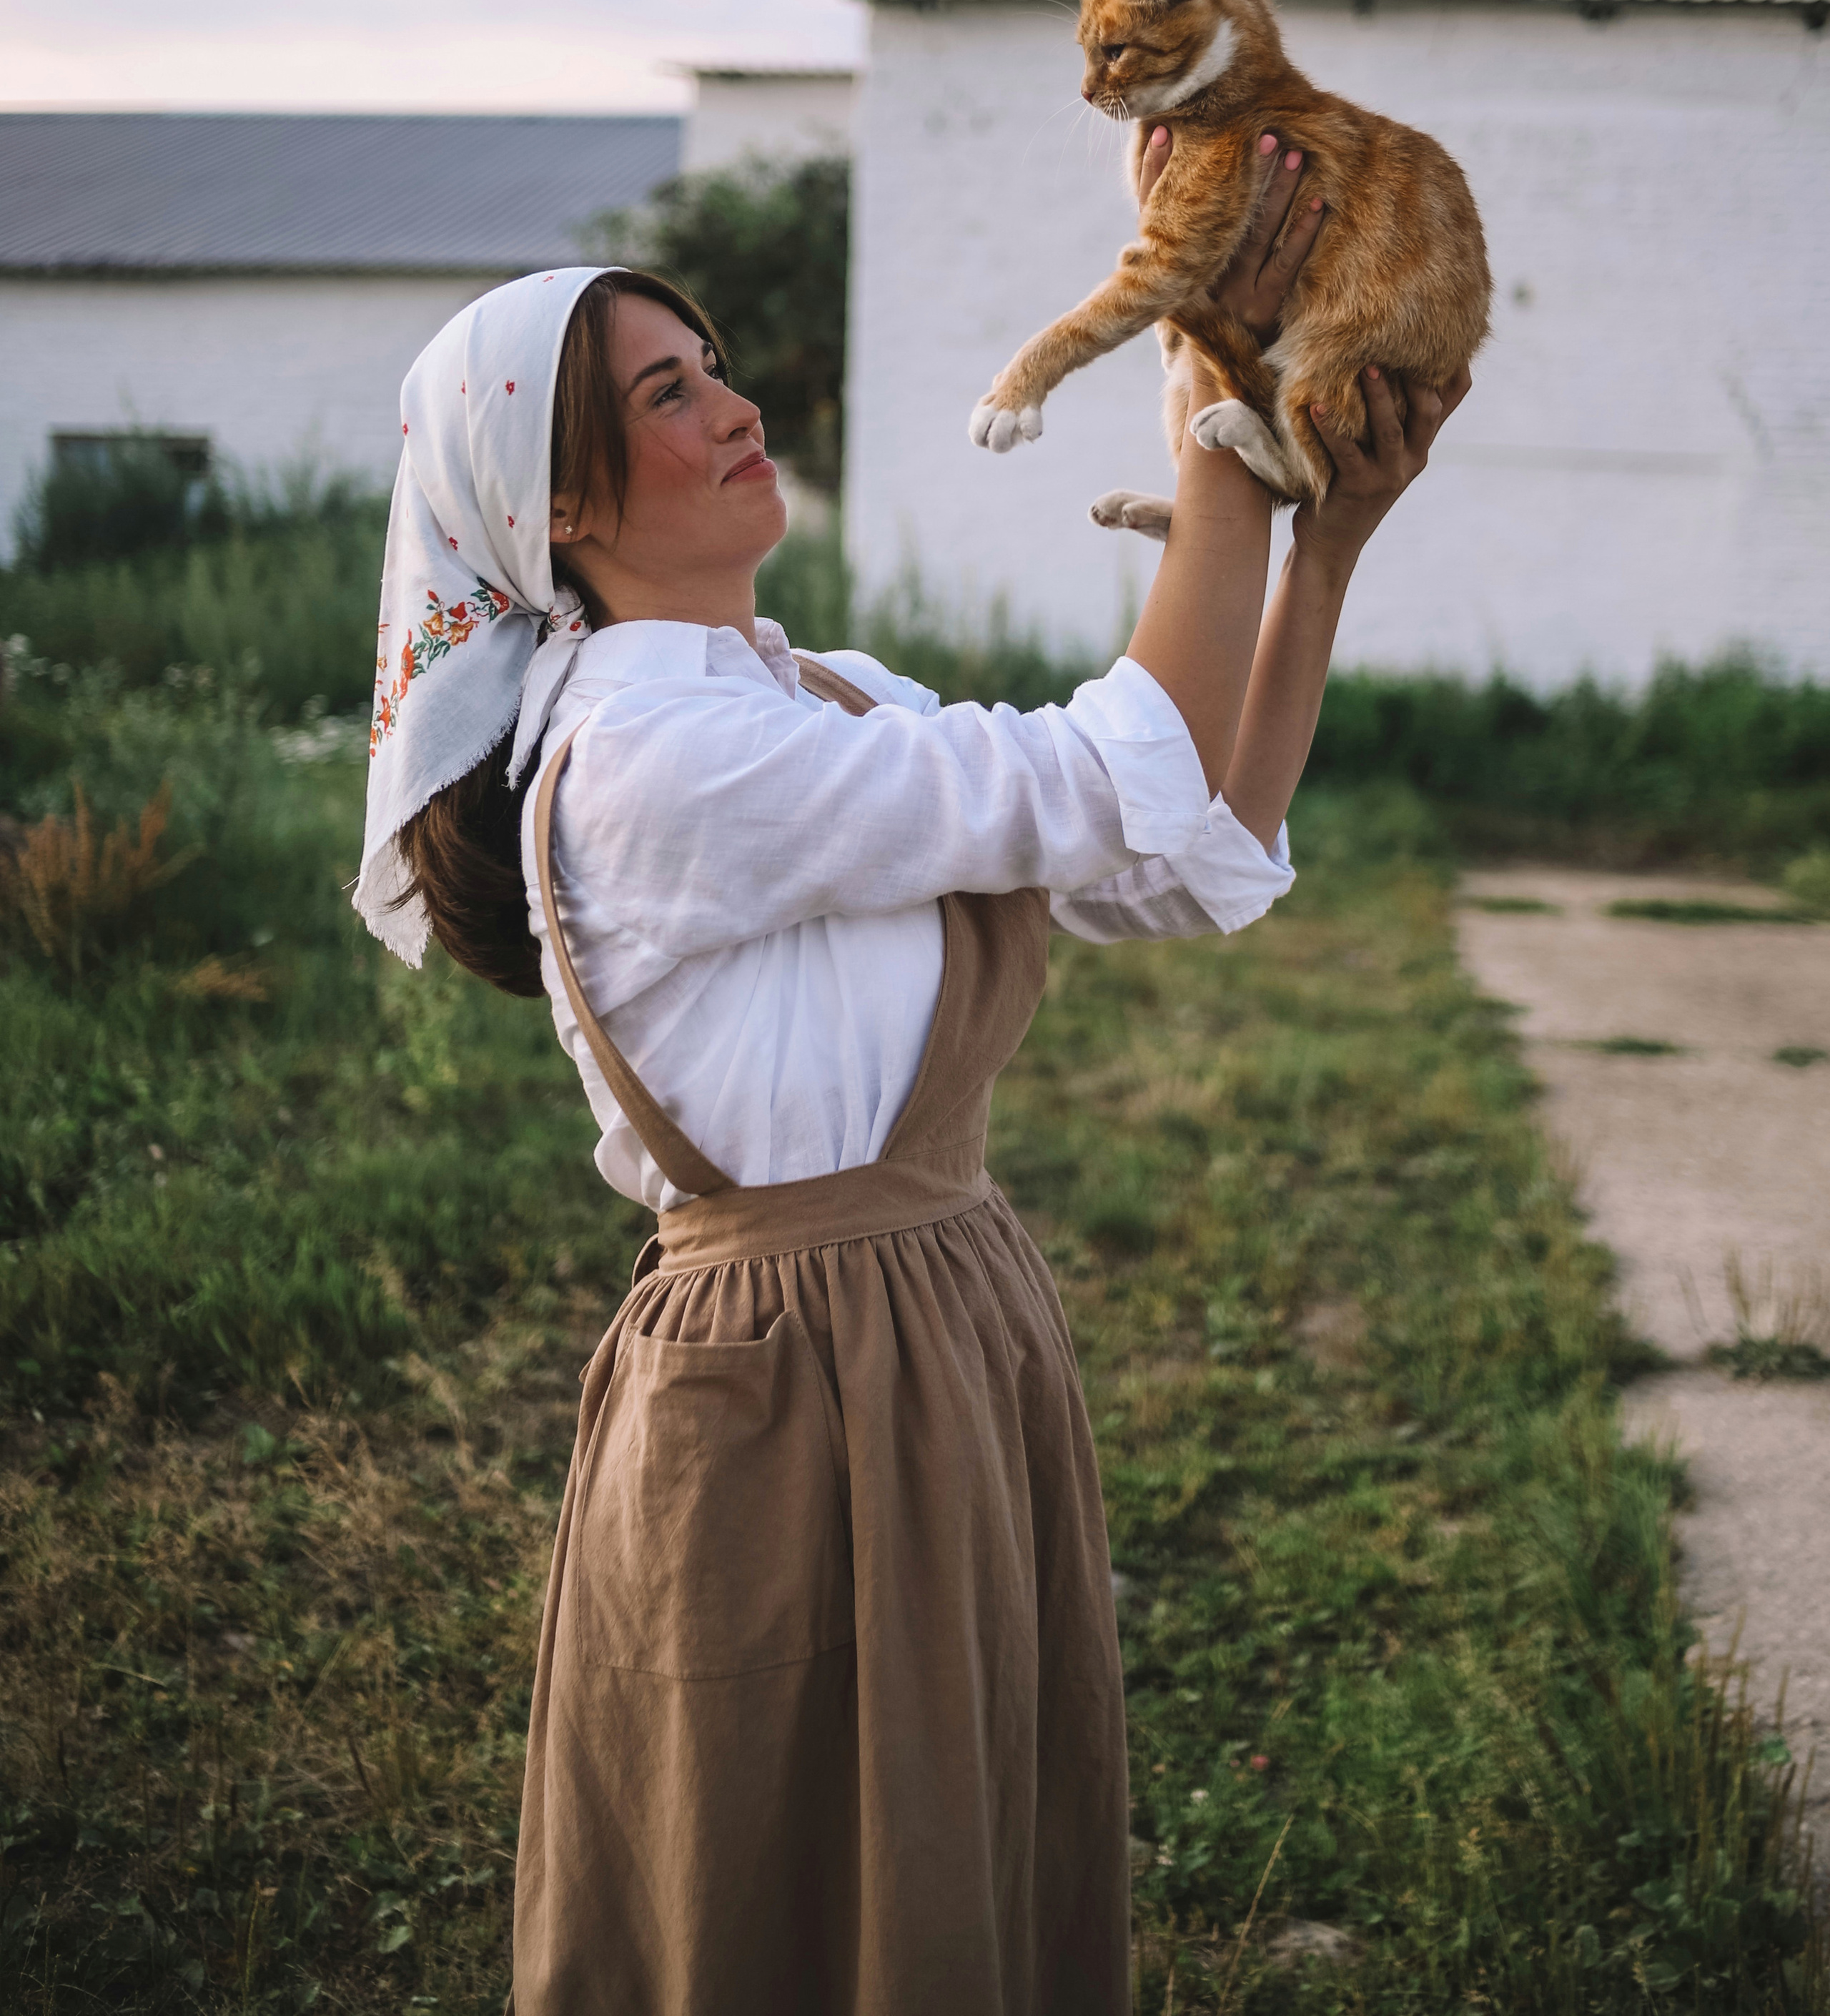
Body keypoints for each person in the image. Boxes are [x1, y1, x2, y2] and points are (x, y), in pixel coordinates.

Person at [352, 129, 1470, 2016]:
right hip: (785, 1376)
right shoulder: (642, 754)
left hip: (946, 1317)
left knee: (957, 1855)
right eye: (667, 393)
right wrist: (1217, 410)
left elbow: (1182, 850)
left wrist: (1321, 542)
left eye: (713, 367)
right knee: (780, 1889)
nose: (736, 405)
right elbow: (1104, 774)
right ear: (556, 510)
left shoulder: (820, 693)